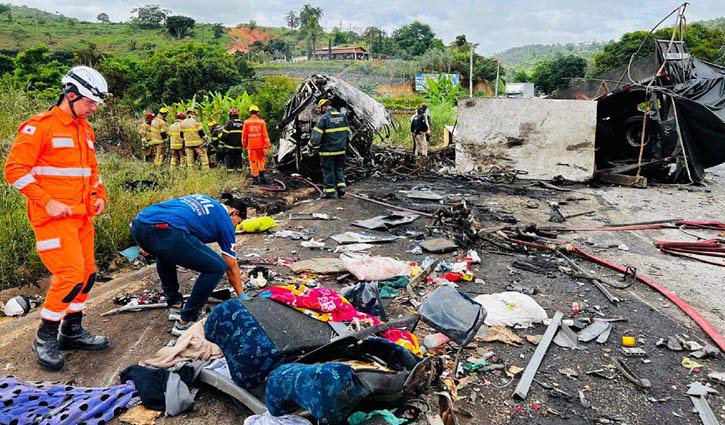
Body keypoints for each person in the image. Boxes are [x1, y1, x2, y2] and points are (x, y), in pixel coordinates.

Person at [4, 66, 110, 371]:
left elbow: (91, 171)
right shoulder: (40, 127)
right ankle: (44, 336)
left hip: (81, 217)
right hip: (52, 219)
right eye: (90, 102)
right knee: (70, 275)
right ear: (71, 95)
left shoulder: (84, 129)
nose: (94, 108)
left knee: (88, 273)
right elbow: (14, 171)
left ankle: (71, 331)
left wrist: (99, 195)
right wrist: (47, 201)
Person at [130, 193, 246, 336]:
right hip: (166, 230)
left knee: (166, 252)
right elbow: (231, 265)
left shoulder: (204, 198)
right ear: (235, 213)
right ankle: (186, 320)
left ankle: (175, 304)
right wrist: (242, 296)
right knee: (217, 267)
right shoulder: (225, 221)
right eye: (238, 222)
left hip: (139, 223)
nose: (235, 227)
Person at [308, 99, 349, 199]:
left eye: (320, 108)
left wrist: (310, 146)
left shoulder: (324, 118)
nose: (320, 111)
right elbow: (348, 134)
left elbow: (316, 137)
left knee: (328, 170)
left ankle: (330, 192)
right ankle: (341, 189)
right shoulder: (342, 116)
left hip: (328, 151)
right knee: (339, 169)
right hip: (341, 150)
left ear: (324, 107)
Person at [242, 105, 272, 185]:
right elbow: (265, 134)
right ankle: (262, 177)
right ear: (258, 112)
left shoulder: (246, 122)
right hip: (261, 145)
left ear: (250, 112)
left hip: (251, 146)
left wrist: (244, 145)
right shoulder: (261, 122)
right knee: (261, 160)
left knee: (253, 161)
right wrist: (268, 145)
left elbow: (244, 136)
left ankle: (255, 179)